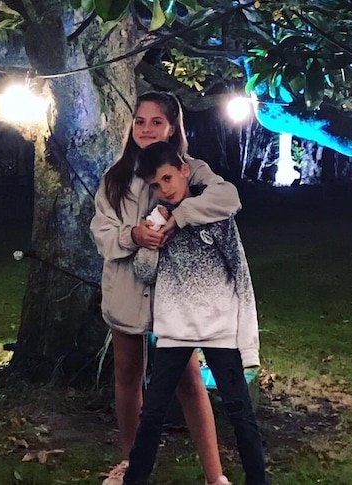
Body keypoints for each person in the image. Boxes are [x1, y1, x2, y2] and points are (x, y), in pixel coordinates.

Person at [90, 91, 242, 485]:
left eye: (157, 121)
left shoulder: (191, 168)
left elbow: (228, 198)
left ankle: (215, 475)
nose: (146, 129)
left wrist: (182, 215)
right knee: (127, 374)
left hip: (175, 295)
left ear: (173, 127)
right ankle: (132, 465)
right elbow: (102, 233)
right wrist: (133, 235)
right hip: (125, 289)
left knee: (188, 378)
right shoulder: (115, 178)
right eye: (140, 121)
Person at [123, 141, 269, 485]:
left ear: (184, 170)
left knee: (239, 412)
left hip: (220, 329)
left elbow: (239, 270)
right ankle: (135, 479)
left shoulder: (214, 212)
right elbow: (144, 273)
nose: (164, 190)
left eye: (167, 179)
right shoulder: (157, 217)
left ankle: (258, 480)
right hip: (174, 331)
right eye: (155, 185)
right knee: (153, 412)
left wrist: (246, 337)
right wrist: (151, 242)